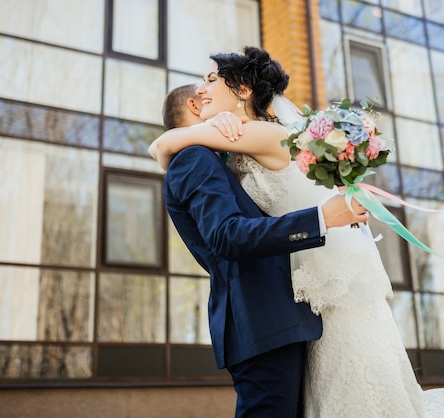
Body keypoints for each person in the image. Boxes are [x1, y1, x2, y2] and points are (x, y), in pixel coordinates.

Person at [151, 46, 444, 417]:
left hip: (319, 285)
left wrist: (190, 133)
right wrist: (214, 124)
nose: (202, 90)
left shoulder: (261, 135)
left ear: (243, 90)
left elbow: (164, 144)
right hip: (306, 290)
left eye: (211, 79)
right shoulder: (238, 140)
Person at [154, 79, 370, 417]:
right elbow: (228, 236)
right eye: (206, 89)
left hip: (275, 317)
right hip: (260, 317)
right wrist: (320, 218)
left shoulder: (217, 159)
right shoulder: (193, 159)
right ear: (196, 105)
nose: (211, 92)